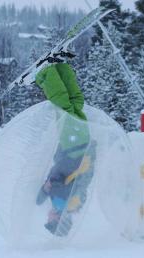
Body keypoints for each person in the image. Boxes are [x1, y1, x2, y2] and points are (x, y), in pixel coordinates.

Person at [35, 62, 96, 237]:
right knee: (63, 107)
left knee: (74, 104)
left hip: (79, 146)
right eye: (50, 220)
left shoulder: (67, 204)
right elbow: (58, 185)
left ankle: (62, 68)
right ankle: (47, 73)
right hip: (74, 148)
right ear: (57, 220)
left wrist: (46, 190)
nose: (48, 216)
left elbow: (40, 199)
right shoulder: (67, 205)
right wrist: (48, 188)